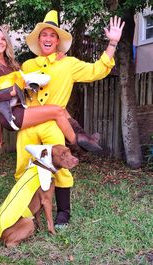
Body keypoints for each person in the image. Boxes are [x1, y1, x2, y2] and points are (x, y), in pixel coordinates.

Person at [15, 10, 125, 227]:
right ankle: (23, 210)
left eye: (52, 35)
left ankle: (63, 212)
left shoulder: (69, 64)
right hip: (29, 124)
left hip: (53, 125)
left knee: (61, 166)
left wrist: (112, 43)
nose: (47, 38)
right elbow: (16, 93)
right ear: (39, 40)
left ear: (57, 41)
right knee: (22, 166)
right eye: (44, 35)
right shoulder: (27, 66)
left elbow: (97, 70)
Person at [0, 24, 77, 145]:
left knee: (60, 108)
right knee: (57, 111)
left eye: (3, 39)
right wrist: (10, 94)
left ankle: (81, 136)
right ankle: (77, 147)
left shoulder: (11, 65)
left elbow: (26, 79)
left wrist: (58, 55)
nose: (0, 42)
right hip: (12, 115)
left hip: (21, 109)